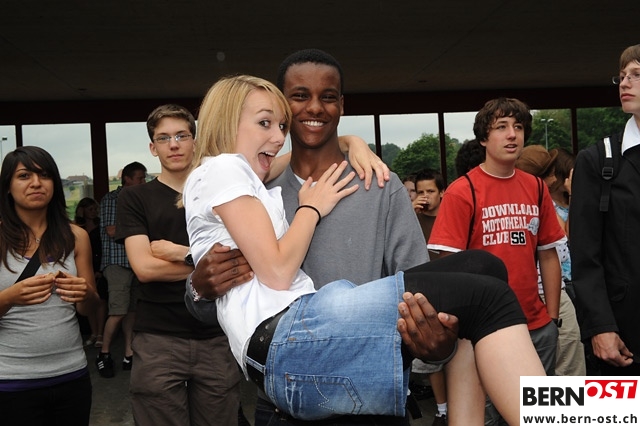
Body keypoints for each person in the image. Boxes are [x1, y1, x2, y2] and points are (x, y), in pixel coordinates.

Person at [183, 74, 545, 425]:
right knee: (489, 297)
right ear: (227, 122)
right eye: (265, 123)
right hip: (289, 339)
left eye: (281, 125)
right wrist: (311, 208)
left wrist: (350, 141)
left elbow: (294, 154)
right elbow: (276, 273)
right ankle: (556, 416)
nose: (278, 137)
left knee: (484, 268)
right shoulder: (225, 168)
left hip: (298, 337)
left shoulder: (246, 175)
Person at [186, 48, 453, 426]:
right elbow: (209, 305)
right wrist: (199, 289)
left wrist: (436, 348)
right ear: (282, 103)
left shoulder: (380, 184)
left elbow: (419, 288)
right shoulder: (253, 188)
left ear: (341, 105)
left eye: (327, 97)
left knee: (481, 284)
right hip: (279, 406)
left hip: (370, 401)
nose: (314, 107)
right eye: (299, 96)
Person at [428, 98, 566, 377]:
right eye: (501, 127)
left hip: (536, 324)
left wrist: (552, 319)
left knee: (537, 404)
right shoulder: (462, 191)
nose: (512, 134)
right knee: (491, 406)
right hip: (484, 327)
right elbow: (447, 267)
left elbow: (548, 255)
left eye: (518, 127)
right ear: (483, 138)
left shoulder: (536, 187)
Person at [0, 146, 99, 425]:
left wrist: (86, 293)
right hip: (11, 380)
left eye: (44, 175)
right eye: (24, 176)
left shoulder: (76, 236)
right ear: (7, 186)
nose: (36, 183)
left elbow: (88, 309)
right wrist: (9, 297)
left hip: (71, 375)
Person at [570, 43, 640, 376]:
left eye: (636, 75)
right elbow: (585, 255)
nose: (624, 83)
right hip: (624, 337)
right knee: (618, 406)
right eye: (622, 76)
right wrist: (599, 326)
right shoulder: (598, 160)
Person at [515, 145, 586, 376]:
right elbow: (563, 248)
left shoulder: (532, 201)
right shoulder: (537, 204)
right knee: (566, 365)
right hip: (541, 292)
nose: (554, 179)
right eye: (549, 174)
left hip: (542, 293)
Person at [95, 161, 147, 378]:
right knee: (118, 311)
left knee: (132, 311)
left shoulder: (141, 199)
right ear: (127, 179)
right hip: (117, 262)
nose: (143, 182)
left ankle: (129, 353)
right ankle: (104, 353)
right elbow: (111, 230)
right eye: (140, 178)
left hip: (137, 262)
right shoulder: (111, 199)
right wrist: (143, 231)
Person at [411, 169, 448, 425]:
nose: (425, 196)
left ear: (442, 192)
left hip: (449, 287)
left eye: (430, 191)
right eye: (420, 191)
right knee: (432, 357)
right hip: (424, 291)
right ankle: (442, 410)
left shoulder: (450, 216)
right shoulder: (412, 218)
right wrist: (410, 213)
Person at [74, 197, 107, 347]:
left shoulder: (100, 225)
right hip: (83, 266)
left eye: (95, 209)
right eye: (90, 209)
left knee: (100, 300)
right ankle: (93, 333)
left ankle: (100, 333)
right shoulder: (77, 228)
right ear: (82, 210)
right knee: (86, 299)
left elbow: (104, 249)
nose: (94, 212)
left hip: (99, 265)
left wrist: (100, 269)